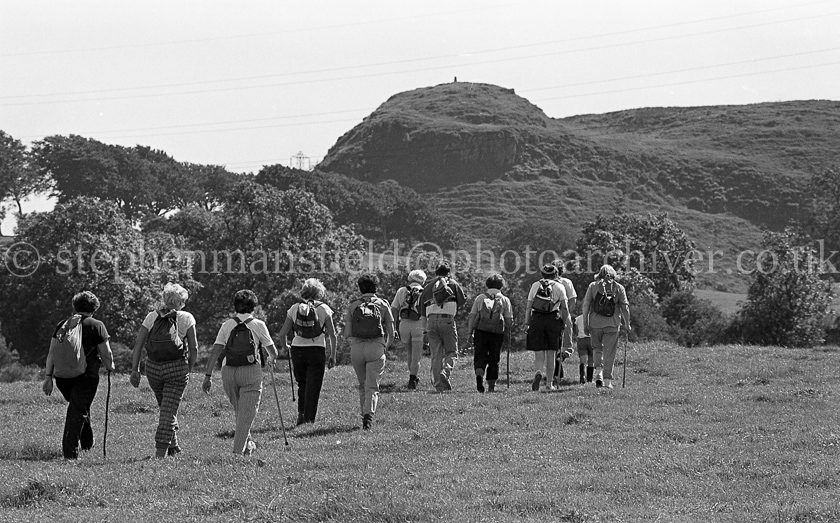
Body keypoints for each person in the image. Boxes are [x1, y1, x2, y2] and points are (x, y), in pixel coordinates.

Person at [202, 290, 278, 456]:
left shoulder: (227, 325)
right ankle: (237, 454)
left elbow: (215, 352)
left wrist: (207, 376)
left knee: (241, 413)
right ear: (254, 307)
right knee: (245, 415)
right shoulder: (258, 325)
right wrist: (271, 361)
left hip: (228, 372)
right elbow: (273, 352)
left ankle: (248, 444)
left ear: (235, 306)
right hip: (250, 372)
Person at [42, 291, 115, 460]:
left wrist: (48, 377)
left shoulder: (63, 324)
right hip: (86, 377)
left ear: (75, 306)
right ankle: (70, 455)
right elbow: (106, 353)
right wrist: (110, 366)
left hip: (62, 377)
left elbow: (52, 352)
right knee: (77, 410)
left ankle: (88, 444)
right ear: (94, 307)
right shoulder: (96, 325)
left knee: (79, 406)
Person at [129, 283, 198, 458]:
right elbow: (194, 348)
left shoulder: (152, 316)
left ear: (165, 299)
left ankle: (174, 447)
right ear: (181, 301)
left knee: (166, 408)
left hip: (152, 368)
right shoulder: (186, 317)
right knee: (168, 411)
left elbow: (139, 344)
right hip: (176, 368)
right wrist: (187, 370)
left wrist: (135, 370)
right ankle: (160, 453)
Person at [275, 278, 337, 425]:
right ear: (319, 292)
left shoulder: (295, 308)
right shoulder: (324, 308)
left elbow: (282, 334)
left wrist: (286, 348)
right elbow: (333, 335)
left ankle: (301, 415)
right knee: (313, 385)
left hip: (297, 349)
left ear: (304, 292)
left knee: (302, 383)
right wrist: (333, 355)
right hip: (317, 350)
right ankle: (309, 419)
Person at [343, 274, 395, 430]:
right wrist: (385, 346)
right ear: (376, 288)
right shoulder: (383, 304)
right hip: (376, 347)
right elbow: (392, 333)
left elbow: (347, 333)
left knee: (362, 384)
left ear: (360, 288)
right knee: (372, 386)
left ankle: (363, 413)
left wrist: (352, 344)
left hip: (357, 348)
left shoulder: (353, 306)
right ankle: (368, 417)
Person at [418, 262, 467, 392]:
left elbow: (422, 311)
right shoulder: (453, 284)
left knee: (436, 355)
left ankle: (439, 386)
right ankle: (445, 372)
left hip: (431, 321)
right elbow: (462, 301)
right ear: (448, 273)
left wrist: (424, 331)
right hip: (447, 320)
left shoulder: (428, 287)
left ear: (435, 273)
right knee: (452, 352)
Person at [581, 265, 631, 389]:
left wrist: (585, 323)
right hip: (612, 324)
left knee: (597, 349)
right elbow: (625, 308)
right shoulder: (619, 288)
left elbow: (586, 305)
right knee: (609, 352)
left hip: (595, 323)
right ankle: (607, 381)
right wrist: (627, 324)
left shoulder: (593, 286)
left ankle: (598, 373)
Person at [524, 264, 572, 391]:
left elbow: (529, 306)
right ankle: (549, 384)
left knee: (539, 354)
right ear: (556, 274)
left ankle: (538, 372)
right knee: (551, 354)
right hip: (553, 319)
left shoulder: (535, 285)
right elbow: (565, 308)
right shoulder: (559, 286)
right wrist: (564, 322)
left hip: (537, 319)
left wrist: (527, 322)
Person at [466, 274, 513, 393]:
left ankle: (479, 374)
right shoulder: (505, 300)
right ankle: (491, 386)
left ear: (487, 285)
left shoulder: (480, 298)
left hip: (481, 331)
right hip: (497, 333)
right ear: (501, 286)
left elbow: (472, 316)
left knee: (480, 355)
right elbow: (508, 321)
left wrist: (469, 332)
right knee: (494, 358)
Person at [390, 269, 427, 390]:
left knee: (409, 353)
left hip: (404, 324)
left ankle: (412, 376)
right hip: (418, 324)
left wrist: (393, 327)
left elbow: (394, 309)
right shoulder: (424, 291)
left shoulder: (402, 291)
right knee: (416, 354)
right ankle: (413, 378)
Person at [552, 260, 577, 386]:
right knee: (567, 344)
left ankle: (555, 370)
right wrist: (567, 314)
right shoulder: (567, 282)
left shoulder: (546, 283)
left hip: (550, 315)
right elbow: (572, 301)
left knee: (552, 343)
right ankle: (561, 357)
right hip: (563, 313)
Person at [574, 313, 593, 384]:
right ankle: (590, 379)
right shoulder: (593, 318)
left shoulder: (578, 318)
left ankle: (582, 377)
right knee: (591, 359)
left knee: (583, 360)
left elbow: (576, 330)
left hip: (581, 339)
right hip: (591, 339)